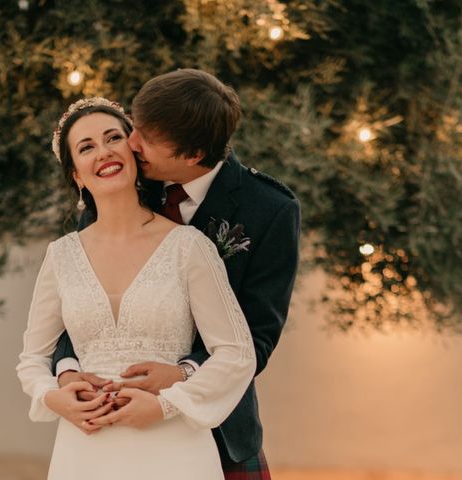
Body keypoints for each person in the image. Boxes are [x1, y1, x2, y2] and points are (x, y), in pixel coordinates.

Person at [52, 69, 301, 479]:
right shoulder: (124, 181)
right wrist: (65, 372)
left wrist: (184, 373)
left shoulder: (269, 210)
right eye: (136, 127)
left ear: (192, 155)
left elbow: (257, 337)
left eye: (145, 139)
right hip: (109, 424)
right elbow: (80, 297)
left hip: (218, 428)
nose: (130, 144)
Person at [16, 96, 257, 480]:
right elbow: (32, 358)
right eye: (86, 147)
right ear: (76, 175)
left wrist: (168, 406)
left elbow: (236, 352)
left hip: (173, 449)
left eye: (113, 138)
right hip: (84, 452)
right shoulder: (61, 256)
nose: (104, 152)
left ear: (132, 150)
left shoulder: (188, 246)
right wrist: (53, 397)